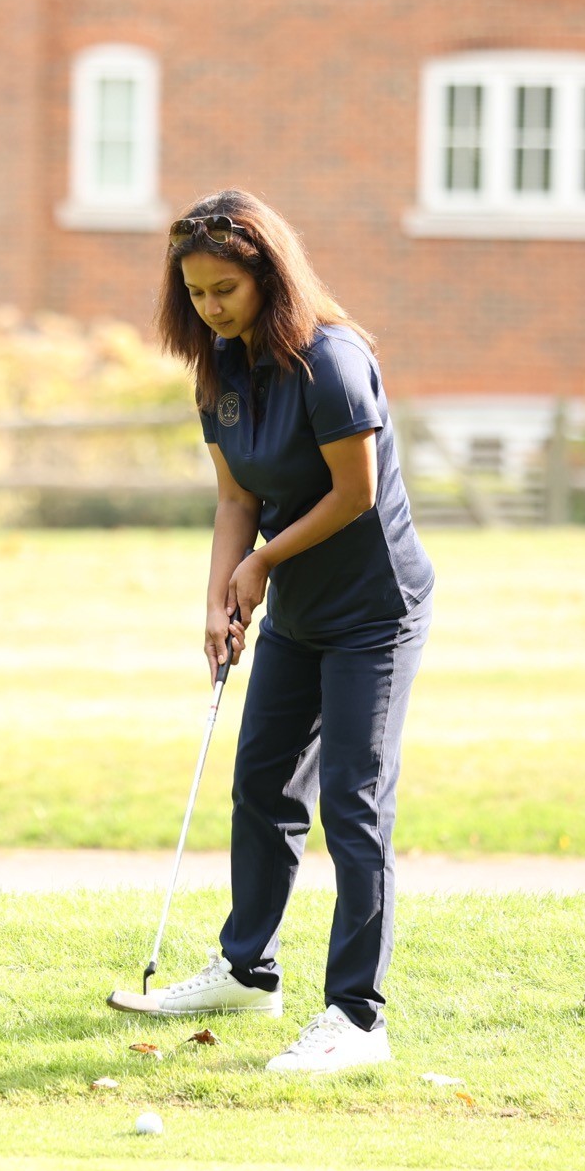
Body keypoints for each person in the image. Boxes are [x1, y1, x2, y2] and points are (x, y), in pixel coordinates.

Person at [122, 190, 434, 1073]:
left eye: (225, 290)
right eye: (196, 294)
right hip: (298, 612)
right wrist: (217, 597)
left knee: (353, 803)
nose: (211, 309)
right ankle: (246, 971)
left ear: (269, 276)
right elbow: (236, 498)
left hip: (374, 613)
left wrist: (260, 564)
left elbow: (354, 493)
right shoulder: (219, 370)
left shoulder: (331, 360)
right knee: (262, 783)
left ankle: (358, 1020)